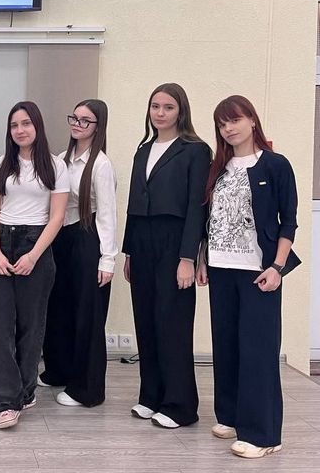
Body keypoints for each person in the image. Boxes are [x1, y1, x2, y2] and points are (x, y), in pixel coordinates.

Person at [196, 95, 299, 459]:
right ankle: (231, 416)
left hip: (259, 272)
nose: (229, 128)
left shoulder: (275, 164)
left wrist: (278, 267)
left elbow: (289, 222)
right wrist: (203, 258)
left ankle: (264, 434)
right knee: (226, 345)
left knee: (258, 350)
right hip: (222, 268)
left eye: (235, 120)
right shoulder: (218, 168)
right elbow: (210, 220)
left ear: (252, 120)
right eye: (222, 123)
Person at [122, 82, 211, 429]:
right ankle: (151, 396)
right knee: (145, 318)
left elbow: (196, 207)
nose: (160, 113)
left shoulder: (195, 150)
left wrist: (188, 257)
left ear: (181, 111)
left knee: (172, 322)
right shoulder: (143, 150)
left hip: (174, 241)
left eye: (168, 107)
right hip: (142, 241)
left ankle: (180, 405)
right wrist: (129, 251)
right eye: (155, 106)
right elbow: (133, 203)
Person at [0, 101, 69, 429]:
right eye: (14, 125)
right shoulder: (1, 164)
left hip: (37, 244)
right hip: (2, 242)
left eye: (26, 123)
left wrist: (33, 255)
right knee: (2, 325)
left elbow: (57, 217)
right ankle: (6, 401)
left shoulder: (55, 166)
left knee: (31, 326)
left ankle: (26, 389)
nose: (20, 130)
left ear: (37, 126)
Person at [39, 99, 117, 407]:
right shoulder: (62, 159)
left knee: (87, 314)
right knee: (58, 307)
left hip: (88, 238)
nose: (77, 124)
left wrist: (107, 259)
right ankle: (58, 370)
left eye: (86, 120)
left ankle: (86, 389)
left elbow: (108, 214)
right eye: (75, 118)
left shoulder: (101, 165)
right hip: (62, 238)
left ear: (98, 127)